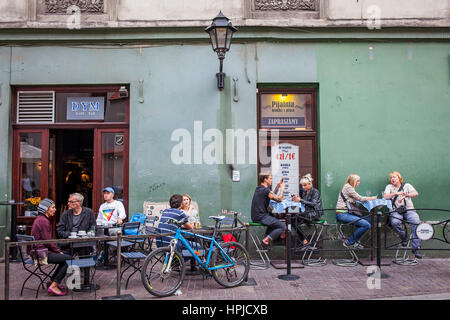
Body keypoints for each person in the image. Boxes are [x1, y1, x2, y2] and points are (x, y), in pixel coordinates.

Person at [31, 198, 72, 296]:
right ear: (46, 209)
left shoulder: (40, 219)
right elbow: (48, 241)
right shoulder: (44, 221)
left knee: (65, 257)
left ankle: (52, 281)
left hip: (39, 252)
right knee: (69, 259)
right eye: (53, 207)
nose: (55, 209)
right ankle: (54, 285)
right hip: (41, 254)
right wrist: (58, 251)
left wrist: (57, 251)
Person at [383, 171, 422, 259]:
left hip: (409, 209)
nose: (392, 179)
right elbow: (385, 196)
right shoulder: (389, 187)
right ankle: (404, 237)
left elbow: (415, 193)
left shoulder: (407, 185)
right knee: (395, 222)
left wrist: (406, 195)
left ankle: (416, 248)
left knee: (416, 222)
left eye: (394, 177)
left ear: (399, 178)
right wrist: (395, 193)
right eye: (391, 178)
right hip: (396, 210)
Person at [336, 174, 377, 249]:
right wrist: (372, 198)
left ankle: (355, 241)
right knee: (366, 225)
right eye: (357, 181)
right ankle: (349, 242)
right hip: (342, 214)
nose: (359, 182)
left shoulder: (349, 187)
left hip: (347, 213)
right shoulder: (348, 187)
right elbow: (359, 198)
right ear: (353, 181)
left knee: (369, 220)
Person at [251, 173, 286, 247]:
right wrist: (282, 189)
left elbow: (270, 194)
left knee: (273, 223)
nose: (271, 180)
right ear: (265, 179)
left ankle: (266, 240)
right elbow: (279, 199)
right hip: (261, 216)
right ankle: (266, 240)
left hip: (256, 216)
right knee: (282, 227)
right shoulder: (265, 190)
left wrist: (277, 187)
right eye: (270, 178)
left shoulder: (259, 188)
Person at [292, 174, 323, 249]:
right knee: (293, 220)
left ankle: (305, 242)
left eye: (305, 185)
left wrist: (300, 200)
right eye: (302, 185)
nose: (303, 187)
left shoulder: (315, 192)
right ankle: (305, 242)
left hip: (315, 213)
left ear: (310, 184)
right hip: (307, 213)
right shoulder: (304, 191)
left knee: (294, 219)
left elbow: (313, 204)